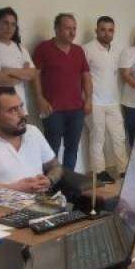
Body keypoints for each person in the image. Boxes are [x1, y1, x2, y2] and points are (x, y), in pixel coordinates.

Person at [31, 12, 92, 171]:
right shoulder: (43, 48)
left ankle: (68, 182)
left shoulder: (78, 51)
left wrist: (88, 99)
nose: (72, 32)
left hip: (76, 109)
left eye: (74, 28)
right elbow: (35, 75)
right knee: (51, 150)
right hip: (52, 110)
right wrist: (39, 97)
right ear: (57, 29)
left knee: (72, 149)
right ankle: (51, 183)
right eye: (68, 28)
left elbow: (86, 76)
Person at [82, 16, 128, 183]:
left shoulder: (117, 51)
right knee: (97, 138)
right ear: (96, 30)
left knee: (119, 137)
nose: (107, 33)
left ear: (114, 31)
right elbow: (81, 76)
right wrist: (86, 100)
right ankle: (99, 173)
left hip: (113, 101)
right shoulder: (86, 49)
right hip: (95, 102)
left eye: (110, 30)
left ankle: (123, 170)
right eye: (103, 29)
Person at [0, 6, 37, 113]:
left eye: (13, 24)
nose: (9, 27)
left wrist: (7, 70)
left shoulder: (20, 48)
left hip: (19, 107)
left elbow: (32, 73)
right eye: (5, 23)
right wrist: (22, 74)